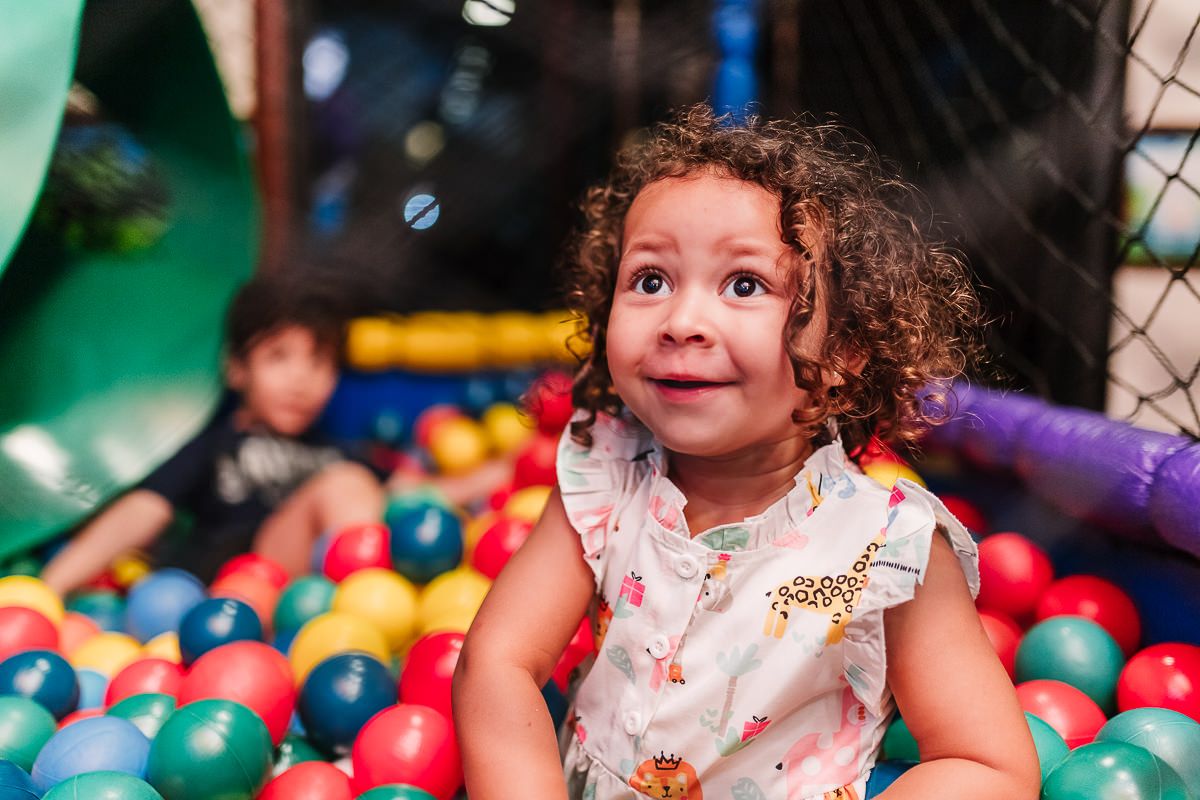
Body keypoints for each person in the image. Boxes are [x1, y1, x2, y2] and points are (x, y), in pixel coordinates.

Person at [453, 105, 1040, 800]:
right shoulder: (605, 474)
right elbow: (496, 662)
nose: (681, 322)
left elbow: (988, 764)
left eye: (744, 285)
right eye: (650, 280)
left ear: (845, 351)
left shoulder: (886, 548)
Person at [41, 271, 386, 594]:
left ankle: (370, 603)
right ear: (236, 369)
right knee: (345, 484)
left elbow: (399, 495)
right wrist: (48, 588)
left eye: (319, 361)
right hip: (233, 584)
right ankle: (368, 603)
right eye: (278, 357)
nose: (301, 380)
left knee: (356, 483)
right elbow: (143, 510)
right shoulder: (216, 445)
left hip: (309, 597)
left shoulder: (336, 453)